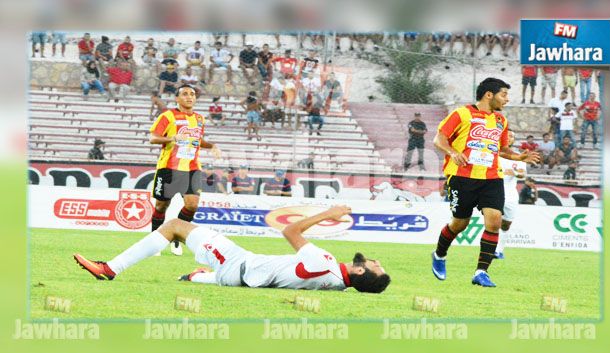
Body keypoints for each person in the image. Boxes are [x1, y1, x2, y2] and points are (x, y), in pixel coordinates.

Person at [73, 205, 391, 293]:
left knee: (174, 227)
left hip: (239, 264)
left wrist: (328, 214)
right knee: (205, 276)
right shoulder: (337, 285)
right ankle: (197, 277)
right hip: (240, 279)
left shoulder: (324, 262)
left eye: (376, 266)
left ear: (361, 270)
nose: (376, 260)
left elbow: (290, 229)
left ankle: (110, 268)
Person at [430, 77, 540, 288]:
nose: (506, 100)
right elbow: (439, 139)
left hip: (491, 177)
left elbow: (502, 150)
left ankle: (481, 272)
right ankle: (439, 254)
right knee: (459, 224)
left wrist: (519, 158)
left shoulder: (501, 121)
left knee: (494, 221)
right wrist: (452, 152)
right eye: (504, 94)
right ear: (489, 95)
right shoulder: (462, 113)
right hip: (462, 177)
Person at [148, 84, 221, 256]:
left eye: (192, 94)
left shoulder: (200, 119)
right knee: (161, 206)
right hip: (169, 167)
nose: (189, 97)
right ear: (177, 98)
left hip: (192, 168)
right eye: (185, 94)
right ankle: (153, 241)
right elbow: (153, 138)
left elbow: (198, 140)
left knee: (192, 205)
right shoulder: (168, 116)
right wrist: (172, 137)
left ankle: (175, 238)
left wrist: (212, 146)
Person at [495, 130, 527, 260]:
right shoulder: (494, 154)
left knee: (506, 224)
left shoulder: (519, 157)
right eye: (507, 136)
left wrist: (512, 171)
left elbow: (522, 174)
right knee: (493, 220)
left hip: (510, 193)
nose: (509, 138)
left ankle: (500, 250)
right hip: (494, 190)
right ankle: (492, 250)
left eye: (512, 136)